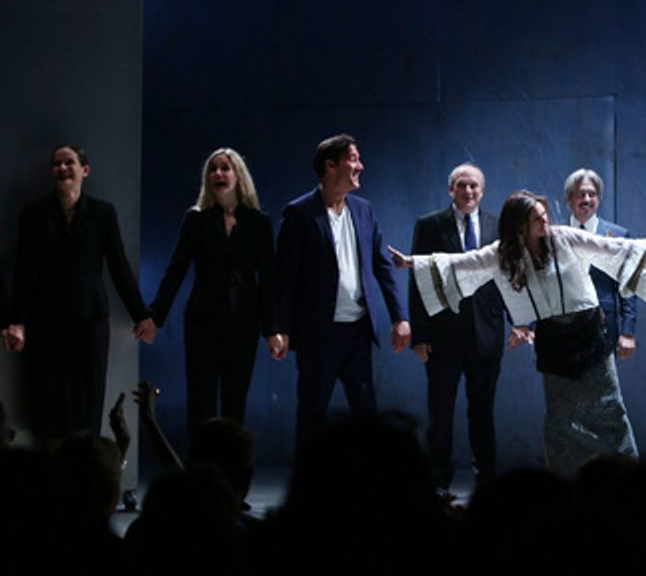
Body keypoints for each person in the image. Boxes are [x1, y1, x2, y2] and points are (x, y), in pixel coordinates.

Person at [392, 190, 646, 477]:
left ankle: (627, 474)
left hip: (590, 332)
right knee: (560, 419)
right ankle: (566, 480)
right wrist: (412, 262)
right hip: (553, 339)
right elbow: (464, 262)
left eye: (545, 216)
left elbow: (610, 248)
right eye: (536, 219)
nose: (544, 222)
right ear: (519, 224)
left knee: (609, 407)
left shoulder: (564, 237)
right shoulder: (503, 253)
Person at [4, 144, 155, 449]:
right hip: (45, 318)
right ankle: (49, 477)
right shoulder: (35, 213)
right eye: (57, 164)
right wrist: (15, 321)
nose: (62, 169)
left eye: (69, 162)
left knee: (87, 399)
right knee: (47, 400)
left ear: (84, 170)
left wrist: (142, 314)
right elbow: (22, 270)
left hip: (90, 318)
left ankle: (84, 474)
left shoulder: (102, 212)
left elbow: (118, 265)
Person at [273, 134, 410, 443]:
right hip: (318, 333)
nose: (360, 165)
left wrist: (399, 317)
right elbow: (284, 277)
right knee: (312, 413)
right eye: (353, 158)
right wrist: (277, 328)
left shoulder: (363, 210)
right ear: (330, 165)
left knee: (367, 414)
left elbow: (382, 265)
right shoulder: (299, 213)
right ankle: (308, 487)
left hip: (358, 332)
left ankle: (372, 484)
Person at [148, 148, 277, 433]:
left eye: (225, 168)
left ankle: (232, 471)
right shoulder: (196, 220)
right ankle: (199, 471)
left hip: (244, 322)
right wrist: (155, 316)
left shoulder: (258, 222)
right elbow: (176, 269)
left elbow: (269, 279)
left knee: (235, 402)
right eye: (213, 169)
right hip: (202, 322)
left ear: (238, 175)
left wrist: (272, 329)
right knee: (200, 402)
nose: (218, 173)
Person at [409, 163, 506, 492]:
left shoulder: (498, 225)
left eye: (474, 186)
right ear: (451, 189)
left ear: (482, 190)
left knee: (483, 413)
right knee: (441, 414)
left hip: (486, 333)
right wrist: (419, 335)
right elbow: (418, 281)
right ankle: (438, 483)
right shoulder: (429, 225)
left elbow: (511, 278)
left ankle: (488, 480)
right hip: (442, 336)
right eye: (462, 186)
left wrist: (520, 322)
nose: (468, 192)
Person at [564, 168, 638, 360]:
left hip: (603, 328)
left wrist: (628, 331)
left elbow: (627, 286)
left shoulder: (618, 237)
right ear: (569, 198)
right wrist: (528, 325)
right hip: (562, 329)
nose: (587, 199)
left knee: (603, 389)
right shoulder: (554, 235)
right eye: (581, 194)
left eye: (592, 194)